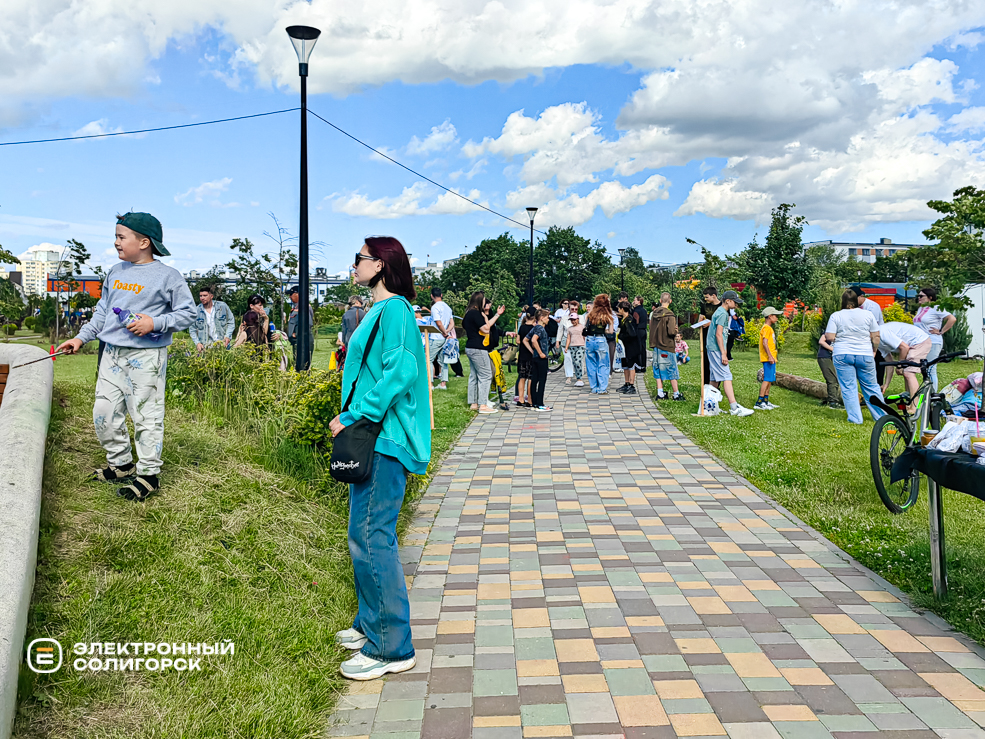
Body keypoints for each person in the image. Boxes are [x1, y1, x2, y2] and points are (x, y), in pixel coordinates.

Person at [328, 236, 431, 681]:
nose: (355, 265)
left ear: (382, 265)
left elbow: (402, 372)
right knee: (363, 535)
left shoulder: (396, 311)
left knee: (373, 537)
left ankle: (392, 647)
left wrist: (352, 415)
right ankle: (371, 624)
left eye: (361, 258)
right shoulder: (378, 310)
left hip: (384, 438)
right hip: (376, 437)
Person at [56, 212, 196, 501]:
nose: (116, 242)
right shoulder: (115, 272)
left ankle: (149, 475)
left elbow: (187, 313)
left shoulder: (168, 276)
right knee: (103, 413)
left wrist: (154, 323)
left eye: (122, 237)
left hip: (147, 357)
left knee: (146, 416)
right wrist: (80, 338)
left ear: (144, 242)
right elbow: (103, 311)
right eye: (117, 236)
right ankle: (121, 463)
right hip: (112, 354)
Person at [823, 289, 884, 425]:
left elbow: (829, 336)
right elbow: (876, 336)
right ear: (857, 300)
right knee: (871, 386)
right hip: (864, 353)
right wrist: (874, 350)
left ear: (843, 301)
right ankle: (881, 417)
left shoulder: (836, 316)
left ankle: (855, 419)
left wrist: (842, 336)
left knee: (849, 387)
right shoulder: (868, 314)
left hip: (842, 353)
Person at [708, 290, 755, 416]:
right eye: (735, 302)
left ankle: (709, 406)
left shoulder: (720, 312)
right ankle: (734, 408)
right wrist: (724, 353)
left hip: (713, 348)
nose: (736, 305)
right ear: (728, 301)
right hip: (717, 349)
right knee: (726, 376)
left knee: (714, 379)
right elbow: (718, 334)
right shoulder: (722, 313)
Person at [463, 291, 505, 413]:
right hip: (478, 348)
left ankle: (474, 403)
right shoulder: (476, 314)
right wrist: (495, 316)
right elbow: (486, 329)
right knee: (486, 375)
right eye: (484, 300)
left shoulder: (468, 314)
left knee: (474, 375)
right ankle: (483, 405)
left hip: (470, 346)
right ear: (479, 301)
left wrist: (492, 316)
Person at [913, 286, 956, 391]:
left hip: (933, 341)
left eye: (921, 296)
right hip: (921, 342)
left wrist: (941, 331)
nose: (919, 298)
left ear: (930, 298)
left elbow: (952, 318)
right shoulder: (921, 309)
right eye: (918, 296)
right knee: (923, 368)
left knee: (931, 369)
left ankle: (933, 396)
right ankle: (926, 391)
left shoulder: (936, 308)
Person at [878, 321, 933, 401]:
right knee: (906, 372)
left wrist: (900, 365)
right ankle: (910, 400)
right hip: (912, 343)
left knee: (908, 373)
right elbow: (889, 364)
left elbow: (904, 347)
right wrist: (886, 384)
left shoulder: (882, 333)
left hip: (920, 341)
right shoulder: (876, 341)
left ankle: (914, 406)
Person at [650, 292, 684, 400]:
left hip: (656, 345)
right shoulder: (670, 314)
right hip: (667, 345)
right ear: (670, 301)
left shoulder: (654, 314)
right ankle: (676, 394)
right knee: (671, 369)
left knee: (657, 368)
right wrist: (675, 331)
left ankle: (660, 393)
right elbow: (671, 332)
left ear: (660, 301)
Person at [852, 286, 885, 385]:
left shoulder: (872, 307)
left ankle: (878, 388)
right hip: (862, 340)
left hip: (876, 339)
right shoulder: (854, 307)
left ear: (861, 296)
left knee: (877, 366)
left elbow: (871, 327)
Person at [584, 295, 614, 394]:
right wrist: (603, 329)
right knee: (603, 364)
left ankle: (594, 387)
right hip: (601, 339)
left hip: (589, 340)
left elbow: (585, 327)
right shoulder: (607, 316)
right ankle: (602, 388)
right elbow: (610, 331)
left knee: (591, 364)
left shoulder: (589, 315)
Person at [189, 285, 233, 351]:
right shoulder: (196, 311)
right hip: (205, 346)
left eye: (205, 295)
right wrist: (197, 343)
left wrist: (227, 336)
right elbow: (192, 329)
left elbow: (231, 322)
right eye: (201, 296)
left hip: (222, 344)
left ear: (211, 296)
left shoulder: (222, 306)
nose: (202, 298)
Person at [525, 309, 552, 411]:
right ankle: (540, 403)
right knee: (542, 380)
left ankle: (534, 403)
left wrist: (533, 352)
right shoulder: (540, 328)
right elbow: (533, 340)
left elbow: (525, 340)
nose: (548, 319)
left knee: (534, 379)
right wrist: (540, 352)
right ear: (541, 318)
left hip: (535, 357)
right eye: (547, 317)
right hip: (541, 358)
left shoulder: (535, 328)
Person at [755, 307, 781, 410]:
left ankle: (766, 400)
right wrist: (770, 356)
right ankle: (759, 402)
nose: (777, 318)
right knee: (766, 379)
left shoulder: (769, 328)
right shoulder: (766, 328)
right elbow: (765, 342)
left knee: (770, 379)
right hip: (768, 358)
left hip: (772, 358)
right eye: (776, 316)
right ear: (770, 316)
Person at [430, 287, 455, 390]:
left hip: (435, 337)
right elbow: (452, 323)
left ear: (432, 296)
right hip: (444, 338)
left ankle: (430, 384)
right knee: (443, 361)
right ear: (441, 295)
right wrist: (447, 332)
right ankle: (443, 383)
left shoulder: (435, 307)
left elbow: (438, 322)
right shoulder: (447, 307)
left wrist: (444, 331)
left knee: (428, 360)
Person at [616, 300, 642, 394]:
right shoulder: (623, 319)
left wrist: (621, 336)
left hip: (631, 346)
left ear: (622, 309)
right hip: (624, 347)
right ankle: (626, 383)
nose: (618, 310)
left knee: (631, 365)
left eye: (619, 308)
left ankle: (631, 385)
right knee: (625, 365)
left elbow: (632, 334)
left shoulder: (629, 320)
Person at [287, 285, 315, 369]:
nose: (289, 297)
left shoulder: (304, 307)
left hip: (302, 341)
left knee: (302, 367)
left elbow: (307, 324)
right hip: (297, 342)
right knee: (297, 366)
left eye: (291, 294)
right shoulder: (296, 307)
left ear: (297, 294)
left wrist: (297, 334)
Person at [700, 286, 722, 388]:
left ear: (714, 296)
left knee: (717, 359)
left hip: (717, 335)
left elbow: (724, 321)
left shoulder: (722, 306)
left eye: (707, 297)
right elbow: (700, 318)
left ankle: (716, 385)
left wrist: (711, 323)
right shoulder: (704, 306)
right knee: (706, 359)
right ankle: (706, 384)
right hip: (706, 335)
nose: (706, 299)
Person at [816, 332, 843, 409]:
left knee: (836, 379)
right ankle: (833, 402)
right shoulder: (831, 330)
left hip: (834, 358)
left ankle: (831, 399)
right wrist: (833, 349)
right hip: (825, 357)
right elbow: (821, 341)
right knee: (832, 379)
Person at [516, 308, 536, 407]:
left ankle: (520, 399)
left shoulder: (522, 327)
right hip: (531, 355)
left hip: (522, 354)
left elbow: (518, 341)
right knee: (530, 378)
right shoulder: (534, 328)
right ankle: (530, 400)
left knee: (522, 377)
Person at [565, 309, 586, 387]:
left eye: (574, 320)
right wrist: (566, 347)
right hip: (573, 346)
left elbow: (584, 336)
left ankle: (580, 377)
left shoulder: (582, 327)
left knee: (578, 361)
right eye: (571, 320)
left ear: (578, 319)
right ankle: (578, 378)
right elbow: (568, 338)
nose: (573, 321)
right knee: (574, 362)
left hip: (581, 345)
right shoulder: (569, 328)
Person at [632, 296, 649, 373]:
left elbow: (636, 321)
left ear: (639, 301)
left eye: (635, 300)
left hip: (638, 330)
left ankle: (638, 366)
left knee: (637, 348)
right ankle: (643, 366)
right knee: (643, 348)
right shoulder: (644, 311)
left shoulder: (636, 311)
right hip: (644, 330)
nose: (633, 301)